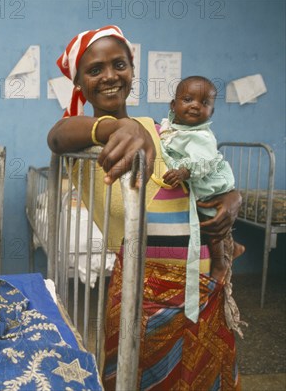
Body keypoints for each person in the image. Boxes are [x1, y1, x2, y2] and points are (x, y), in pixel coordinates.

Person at [47, 25, 242, 390]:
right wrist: (114, 128)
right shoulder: (83, 140)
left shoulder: (161, 129)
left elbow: (206, 175)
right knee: (141, 378)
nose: (109, 76)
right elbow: (56, 136)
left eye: (119, 64)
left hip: (203, 284)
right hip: (143, 296)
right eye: (94, 70)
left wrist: (235, 199)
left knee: (203, 378)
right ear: (79, 83)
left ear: (132, 71)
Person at [160, 76, 245, 283]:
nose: (196, 106)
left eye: (204, 103)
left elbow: (202, 160)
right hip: (197, 183)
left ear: (211, 112)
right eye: (188, 99)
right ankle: (234, 246)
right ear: (174, 104)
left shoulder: (202, 136)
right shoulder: (169, 128)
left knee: (208, 220)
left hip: (209, 183)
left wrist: (183, 172)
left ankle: (220, 263)